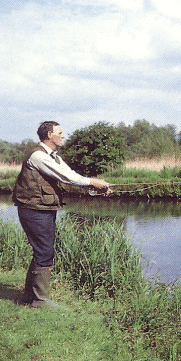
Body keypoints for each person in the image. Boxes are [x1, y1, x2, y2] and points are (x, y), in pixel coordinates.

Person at [13, 121, 111, 308]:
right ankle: (40, 300)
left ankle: (29, 297)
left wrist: (93, 184)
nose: (64, 135)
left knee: (43, 250)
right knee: (44, 251)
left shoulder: (53, 156)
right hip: (34, 210)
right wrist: (93, 182)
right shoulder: (39, 156)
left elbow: (70, 173)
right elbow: (67, 178)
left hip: (42, 208)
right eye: (60, 132)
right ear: (49, 135)